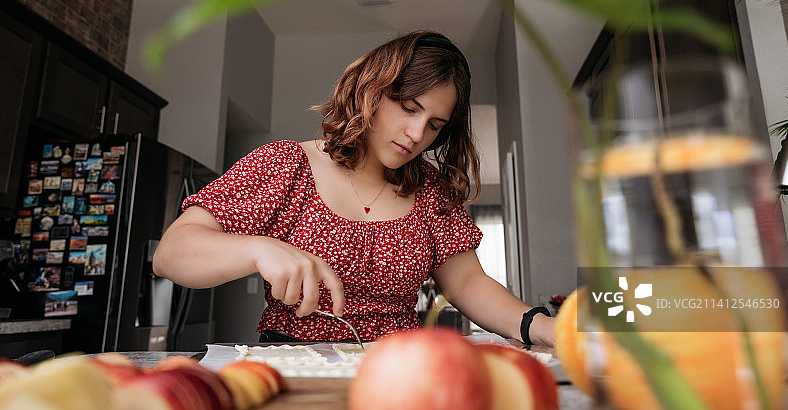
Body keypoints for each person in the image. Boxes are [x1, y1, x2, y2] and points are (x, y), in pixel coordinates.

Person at [153, 31, 555, 346]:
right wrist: (257, 248)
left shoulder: (433, 191)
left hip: (399, 369)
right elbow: (171, 255)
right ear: (371, 92)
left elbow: (468, 283)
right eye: (410, 108)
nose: (417, 135)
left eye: (434, 125)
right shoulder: (285, 165)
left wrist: (537, 326)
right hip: (295, 365)